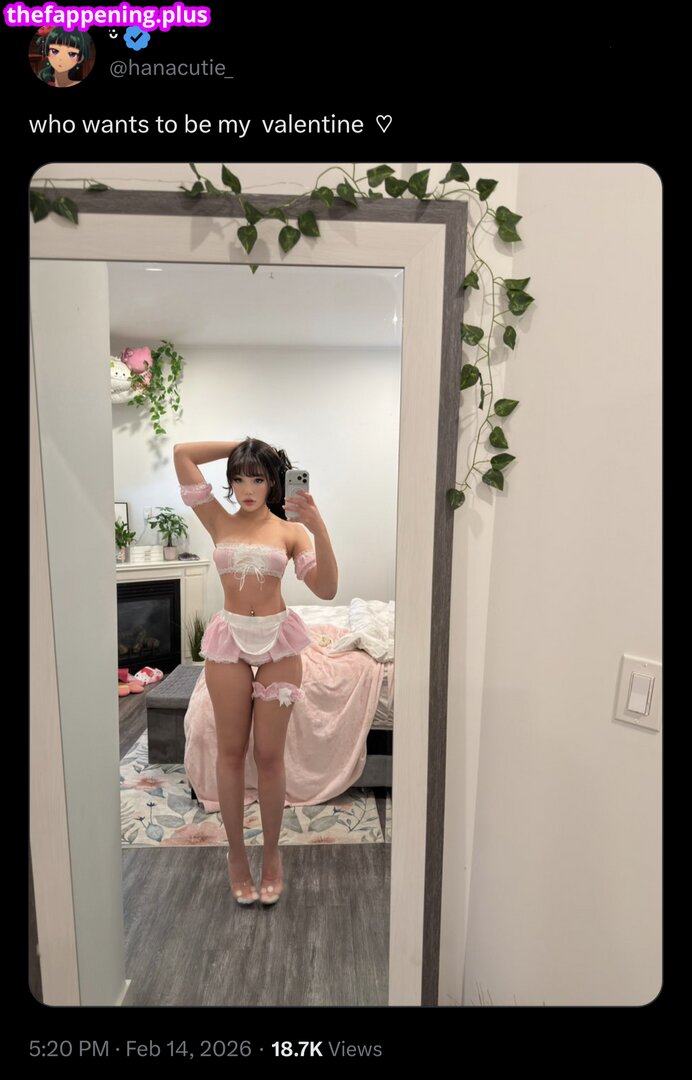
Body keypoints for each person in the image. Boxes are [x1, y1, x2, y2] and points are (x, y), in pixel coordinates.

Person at [174, 438, 338, 906]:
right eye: (239, 478)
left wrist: (319, 528)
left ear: (273, 482)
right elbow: (183, 454)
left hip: (278, 643)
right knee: (229, 753)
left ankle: (271, 857)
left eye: (258, 478)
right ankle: (237, 857)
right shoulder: (216, 519)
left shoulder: (290, 531)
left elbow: (326, 589)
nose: (247, 489)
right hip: (230, 640)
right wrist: (248, 444)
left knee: (269, 757)